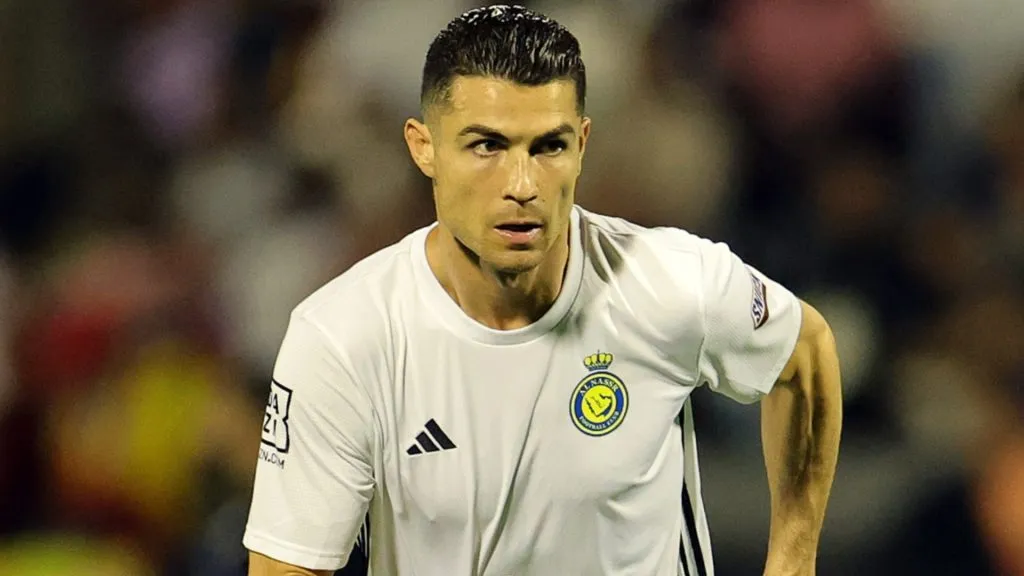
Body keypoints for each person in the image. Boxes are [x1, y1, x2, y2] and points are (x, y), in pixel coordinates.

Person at [243, 5, 842, 576]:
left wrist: (794, 559)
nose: (522, 184)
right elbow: (289, 563)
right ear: (424, 147)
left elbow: (804, 349)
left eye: (548, 146)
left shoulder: (671, 282)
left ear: (581, 144)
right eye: (487, 146)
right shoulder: (343, 337)